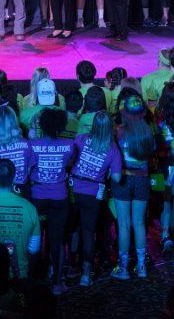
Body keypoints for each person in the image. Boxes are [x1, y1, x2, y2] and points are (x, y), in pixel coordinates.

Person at [69, 111, 122, 287]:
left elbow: (70, 160)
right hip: (93, 194)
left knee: (73, 230)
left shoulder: (81, 138)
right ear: (110, 128)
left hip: (73, 189)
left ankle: (70, 266)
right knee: (88, 232)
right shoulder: (113, 148)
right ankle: (85, 274)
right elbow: (116, 178)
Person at [27, 108, 76, 295]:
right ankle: (56, 283)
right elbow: (70, 165)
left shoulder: (32, 145)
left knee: (35, 239)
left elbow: (27, 169)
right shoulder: (69, 145)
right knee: (57, 241)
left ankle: (34, 279)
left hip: (38, 196)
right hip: (59, 196)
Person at [112, 94, 155, 279]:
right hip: (142, 180)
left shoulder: (119, 132)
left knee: (123, 224)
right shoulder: (149, 132)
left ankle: (123, 269)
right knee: (139, 223)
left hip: (123, 179)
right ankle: (141, 266)